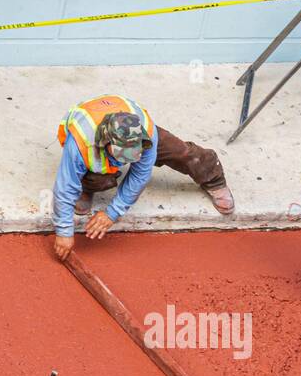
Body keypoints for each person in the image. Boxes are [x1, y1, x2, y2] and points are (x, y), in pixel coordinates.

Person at [51, 95, 235, 260]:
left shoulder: (146, 136)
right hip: (88, 130)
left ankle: (214, 180)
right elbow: (65, 186)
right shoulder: (79, 144)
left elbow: (140, 175)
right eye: (121, 156)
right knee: (97, 176)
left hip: (127, 124)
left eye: (133, 154)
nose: (126, 161)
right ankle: (88, 187)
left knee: (183, 153)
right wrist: (64, 232)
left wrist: (112, 213)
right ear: (105, 143)